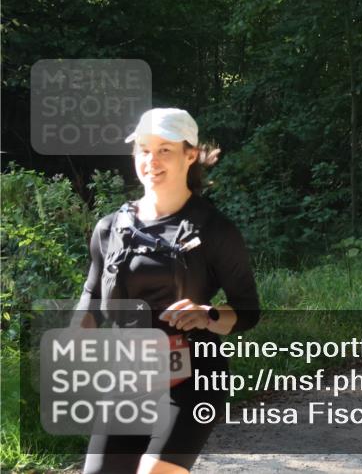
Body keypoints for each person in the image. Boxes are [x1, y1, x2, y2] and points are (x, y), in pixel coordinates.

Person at [76, 108, 260, 474]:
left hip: (193, 379)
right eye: (144, 149)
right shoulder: (110, 228)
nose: (151, 161)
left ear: (189, 155)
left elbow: (248, 311)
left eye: (165, 150)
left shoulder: (214, 230)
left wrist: (205, 315)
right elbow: (92, 299)